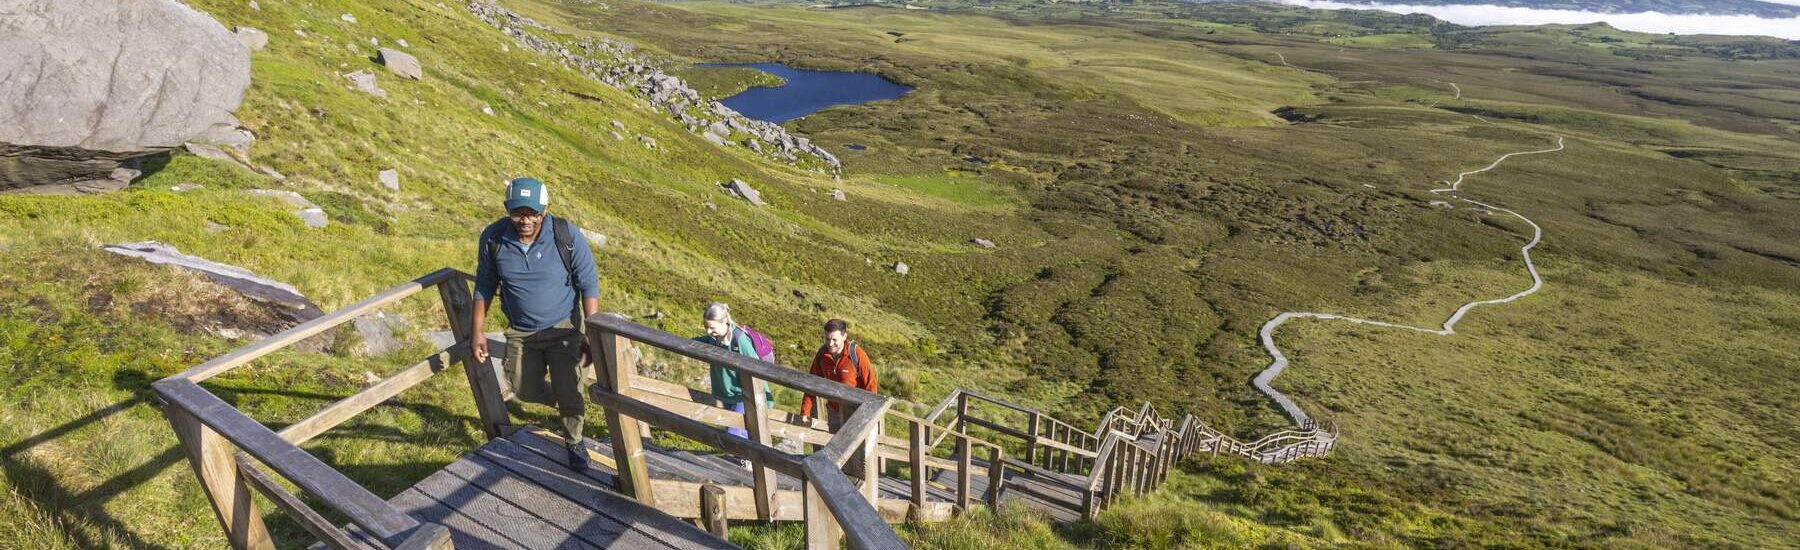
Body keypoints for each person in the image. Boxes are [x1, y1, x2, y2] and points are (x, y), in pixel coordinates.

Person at [471, 177, 601, 470]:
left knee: (568, 387)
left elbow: (588, 282)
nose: (525, 220)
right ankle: (569, 402)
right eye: (518, 212)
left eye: (532, 213)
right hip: (521, 329)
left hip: (564, 327)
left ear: (544, 210)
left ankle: (574, 440)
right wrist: (476, 332)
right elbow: (484, 285)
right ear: (508, 210)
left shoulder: (565, 235)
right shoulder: (493, 238)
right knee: (523, 388)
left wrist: (591, 332)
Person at [693, 303, 774, 442]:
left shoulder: (740, 340)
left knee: (734, 434)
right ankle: (746, 461)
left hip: (744, 395)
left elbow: (758, 369)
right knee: (737, 430)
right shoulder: (713, 338)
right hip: (727, 393)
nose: (708, 331)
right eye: (706, 327)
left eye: (712, 327)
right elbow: (700, 342)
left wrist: (766, 396)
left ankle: (742, 462)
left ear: (724, 321)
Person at [800, 318, 878, 441]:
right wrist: (805, 412)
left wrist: (868, 416)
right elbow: (812, 383)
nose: (830, 344)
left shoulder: (857, 354)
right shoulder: (822, 354)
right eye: (827, 339)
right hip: (834, 410)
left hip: (855, 412)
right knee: (835, 446)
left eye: (834, 340)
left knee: (855, 449)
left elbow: (870, 385)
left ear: (844, 336)